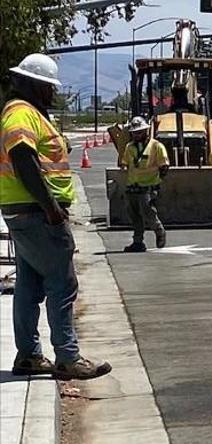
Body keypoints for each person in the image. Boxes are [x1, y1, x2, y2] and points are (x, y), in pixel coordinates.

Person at [0, 54, 110, 379]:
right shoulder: (21, 114)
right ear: (33, 84)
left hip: (22, 211)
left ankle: (29, 355)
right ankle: (67, 357)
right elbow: (23, 158)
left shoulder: (25, 112)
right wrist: (50, 208)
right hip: (37, 213)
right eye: (48, 87)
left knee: (29, 285)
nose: (52, 94)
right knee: (62, 283)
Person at [119, 116, 168, 252]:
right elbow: (125, 163)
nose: (136, 135)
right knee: (134, 215)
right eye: (134, 132)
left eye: (139, 132)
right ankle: (138, 242)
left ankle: (159, 231)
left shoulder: (156, 146)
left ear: (146, 131)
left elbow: (164, 166)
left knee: (148, 212)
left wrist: (157, 182)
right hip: (132, 186)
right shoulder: (129, 147)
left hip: (148, 187)